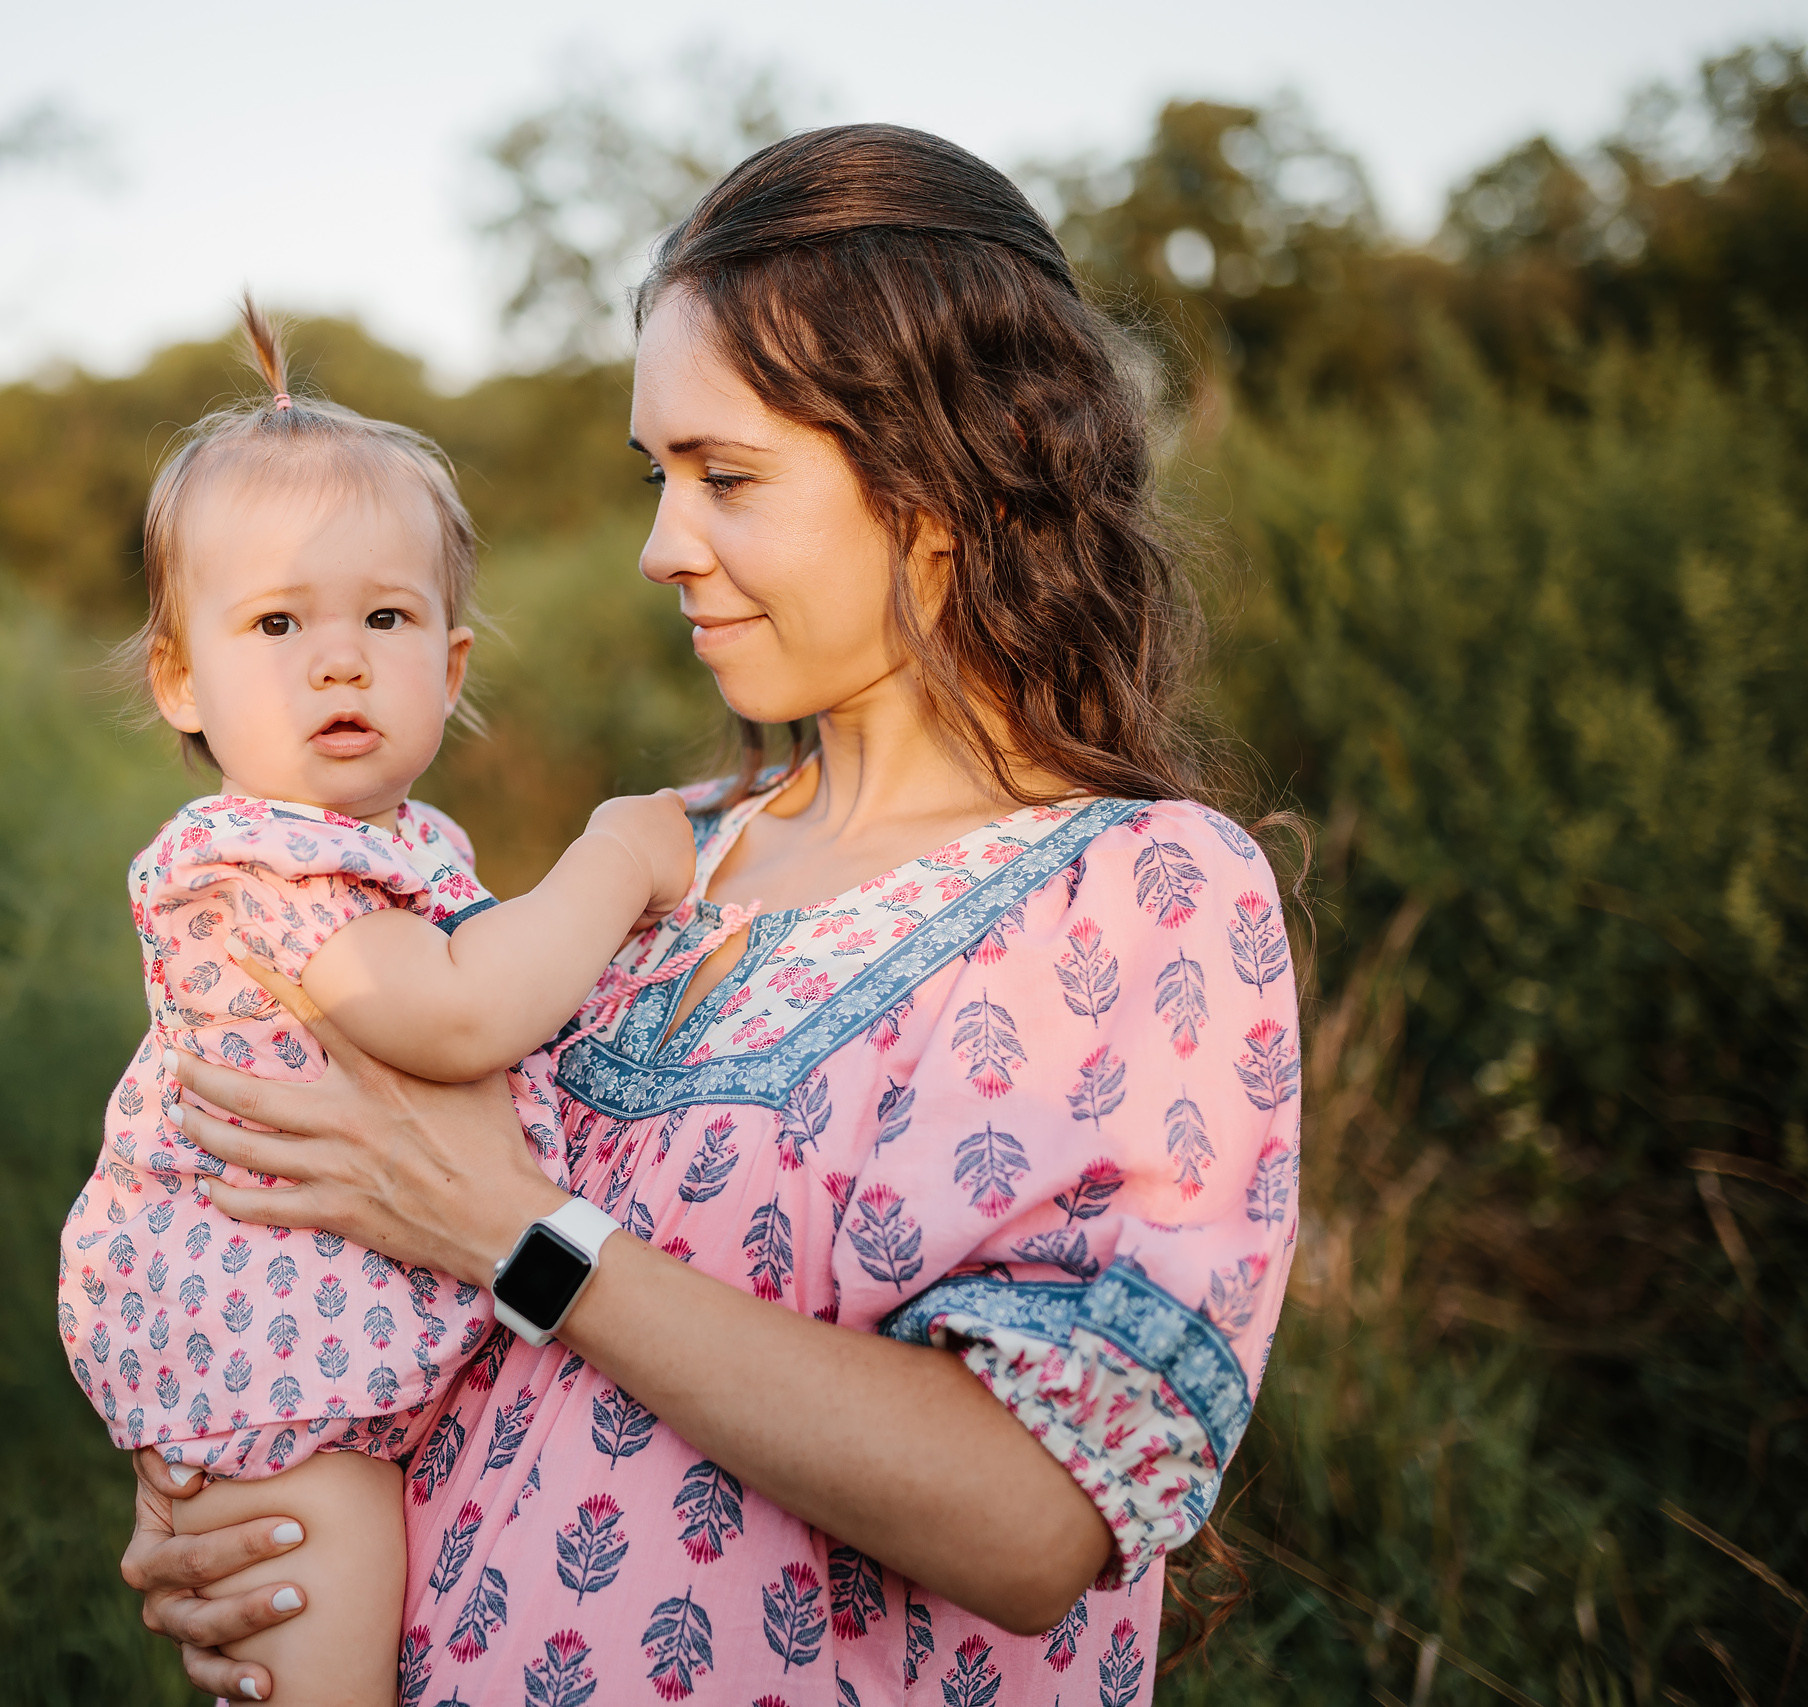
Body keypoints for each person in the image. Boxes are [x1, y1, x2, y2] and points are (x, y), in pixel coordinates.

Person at [122, 127, 1304, 1707]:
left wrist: (524, 1242)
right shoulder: (676, 864)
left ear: (941, 484)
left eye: (726, 477)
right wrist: (248, 1525)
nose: (661, 546)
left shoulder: (1140, 887)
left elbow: (1037, 1517)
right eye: (657, 477)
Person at [55, 301, 703, 1706]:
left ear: (451, 667)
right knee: (324, 1632)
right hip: (283, 1383)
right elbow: (458, 1017)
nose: (338, 659)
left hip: (350, 1339)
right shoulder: (248, 865)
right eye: (278, 620)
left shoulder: (388, 846)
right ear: (182, 677)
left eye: (387, 617)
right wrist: (617, 860)